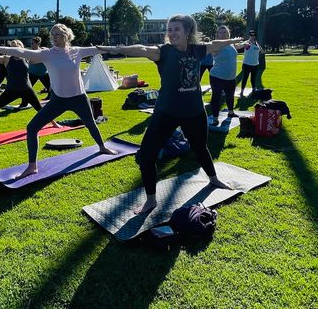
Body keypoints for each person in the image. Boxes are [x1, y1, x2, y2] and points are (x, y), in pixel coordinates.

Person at [98, 15, 242, 214]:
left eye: (177, 29)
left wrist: (234, 41)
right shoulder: (163, 52)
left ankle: (214, 179)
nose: (172, 33)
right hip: (166, 112)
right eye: (170, 29)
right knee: (147, 155)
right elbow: (141, 49)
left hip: (194, 112)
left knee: (200, 148)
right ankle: (151, 200)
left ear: (187, 32)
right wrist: (116, 49)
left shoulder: (197, 49)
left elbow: (216, 43)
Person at [0, 24, 117, 179]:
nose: (54, 38)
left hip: (79, 98)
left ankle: (102, 147)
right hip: (58, 100)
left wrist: (120, 48)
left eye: (57, 34)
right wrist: (1, 49)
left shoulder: (77, 51)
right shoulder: (47, 54)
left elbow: (98, 49)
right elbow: (22, 51)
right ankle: (32, 166)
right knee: (32, 128)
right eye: (52, 35)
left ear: (66, 35)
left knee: (91, 123)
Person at [0, 40, 59, 141]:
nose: (14, 49)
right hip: (11, 90)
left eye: (16, 46)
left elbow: (42, 55)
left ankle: (54, 124)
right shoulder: (6, 59)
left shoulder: (27, 58)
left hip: (26, 89)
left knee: (40, 108)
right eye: (12, 47)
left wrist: (47, 50)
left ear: (21, 48)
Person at [208, 26, 243, 126]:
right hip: (217, 76)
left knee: (230, 95)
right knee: (216, 97)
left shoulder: (231, 45)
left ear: (228, 34)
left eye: (224, 32)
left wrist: (245, 43)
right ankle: (215, 118)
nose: (222, 34)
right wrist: (232, 41)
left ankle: (231, 112)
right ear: (217, 34)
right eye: (220, 32)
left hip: (231, 77)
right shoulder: (215, 45)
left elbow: (238, 46)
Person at [19, 36, 52, 108]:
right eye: (31, 43)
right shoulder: (30, 51)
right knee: (27, 88)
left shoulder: (43, 51)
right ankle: (24, 103)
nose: (31, 45)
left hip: (43, 73)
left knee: (50, 87)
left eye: (33, 43)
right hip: (32, 73)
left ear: (38, 44)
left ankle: (50, 98)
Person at [240, 29, 263, 97]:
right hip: (247, 64)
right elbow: (240, 45)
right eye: (251, 35)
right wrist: (246, 43)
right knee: (245, 78)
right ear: (249, 35)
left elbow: (262, 51)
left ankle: (253, 89)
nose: (253, 36)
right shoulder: (247, 43)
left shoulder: (256, 44)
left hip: (255, 64)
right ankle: (242, 91)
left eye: (254, 35)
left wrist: (256, 43)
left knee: (253, 78)